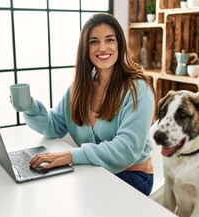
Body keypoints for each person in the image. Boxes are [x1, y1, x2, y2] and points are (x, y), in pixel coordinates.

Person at [19, 13, 155, 195]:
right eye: (94, 42)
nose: (102, 48)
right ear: (86, 48)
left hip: (132, 175)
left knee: (74, 196)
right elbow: (54, 126)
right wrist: (28, 105)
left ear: (119, 44)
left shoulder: (138, 89)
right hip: (94, 170)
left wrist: (70, 156)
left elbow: (127, 148)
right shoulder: (80, 87)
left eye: (109, 40)